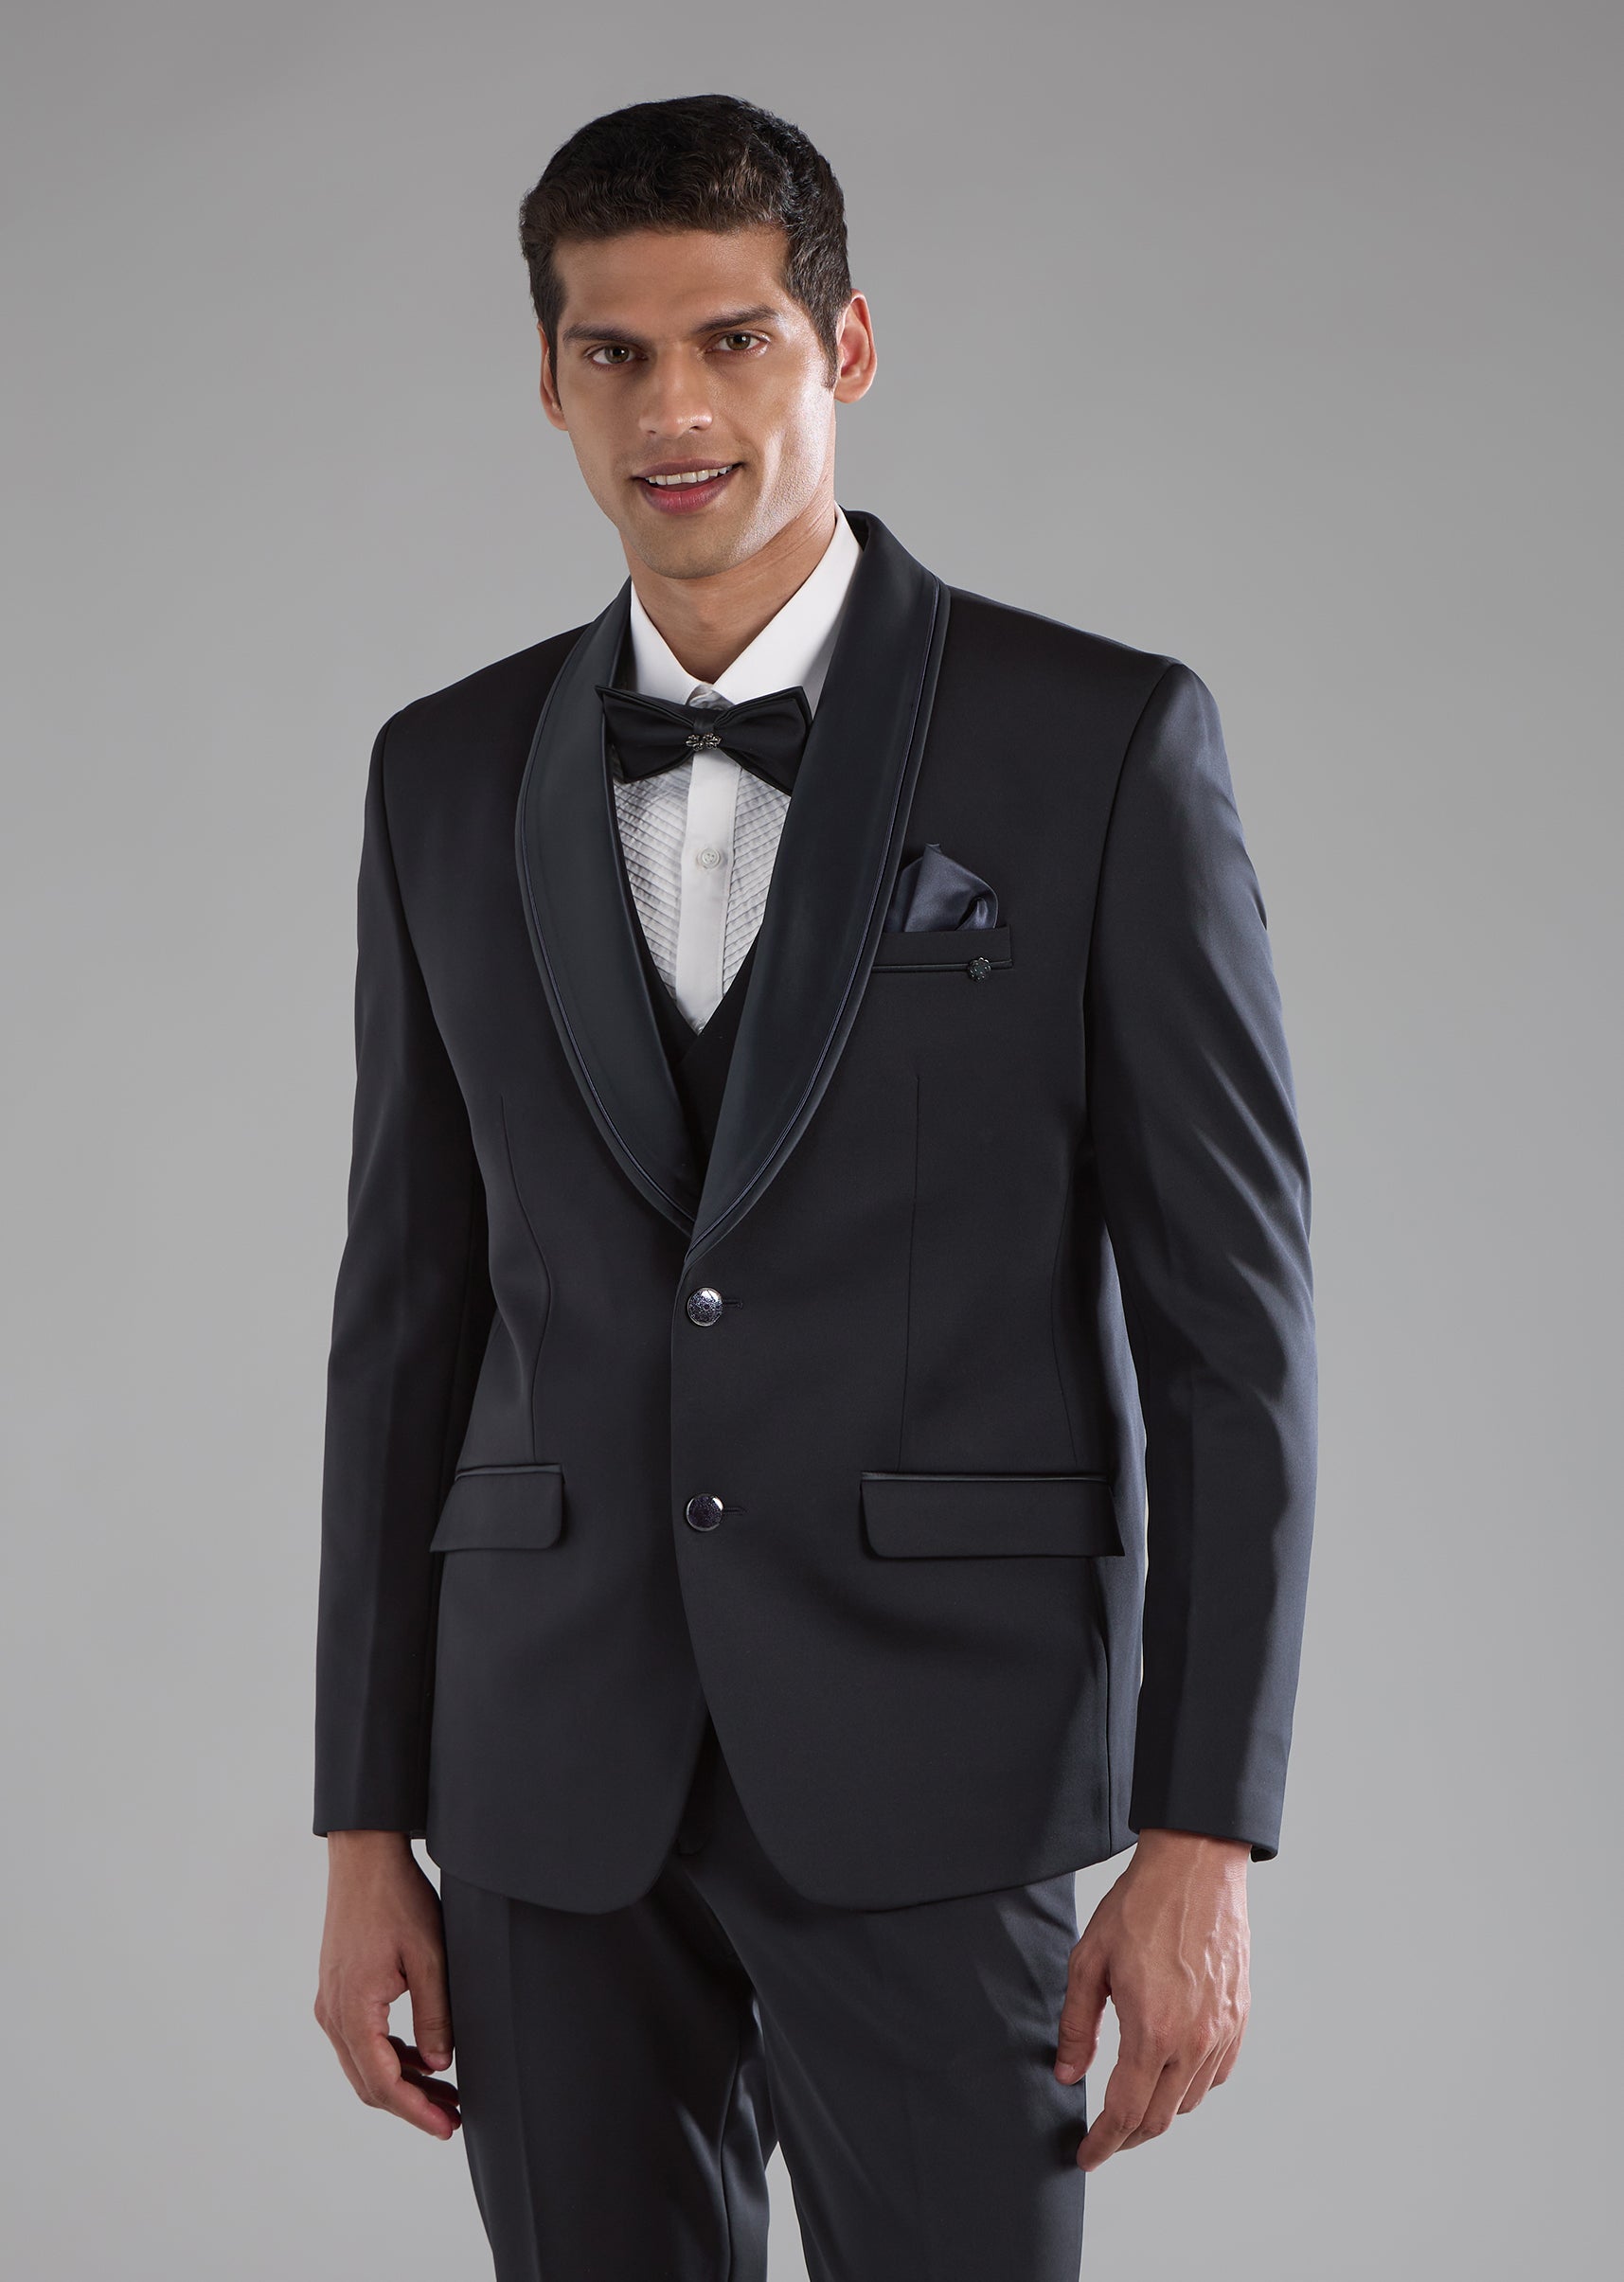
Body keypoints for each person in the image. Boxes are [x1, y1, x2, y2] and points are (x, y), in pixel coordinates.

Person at [312, 91, 1317, 2282]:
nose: (673, 408)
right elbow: (405, 1317)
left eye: (734, 340)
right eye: (614, 352)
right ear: (549, 378)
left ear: (846, 347)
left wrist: (1204, 1827)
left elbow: (1232, 1332)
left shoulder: (1096, 742)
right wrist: (367, 1816)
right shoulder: (441, 772)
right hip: (547, 1772)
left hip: (941, 1754)